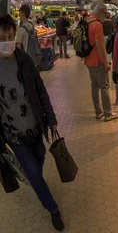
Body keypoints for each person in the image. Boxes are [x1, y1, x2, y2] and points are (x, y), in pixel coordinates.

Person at [0, 14, 64, 231]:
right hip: (14, 135)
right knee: (33, 173)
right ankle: (53, 208)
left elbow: (40, 91)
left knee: (39, 159)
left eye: (9, 36)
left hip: (36, 127)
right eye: (1, 37)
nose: (6, 41)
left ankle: (37, 179)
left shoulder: (24, 61)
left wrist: (52, 118)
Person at [85, 4, 118, 122]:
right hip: (97, 60)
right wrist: (106, 63)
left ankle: (98, 112)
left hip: (88, 59)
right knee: (104, 86)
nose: (106, 15)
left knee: (94, 86)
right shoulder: (98, 25)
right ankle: (108, 114)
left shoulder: (88, 21)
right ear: (100, 12)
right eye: (105, 13)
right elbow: (99, 45)